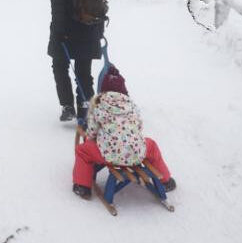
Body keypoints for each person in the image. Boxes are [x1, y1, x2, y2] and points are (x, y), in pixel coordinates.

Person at [71, 66, 175, 200]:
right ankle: (166, 181)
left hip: (108, 154)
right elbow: (139, 127)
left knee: (83, 151)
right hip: (137, 153)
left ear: (103, 90)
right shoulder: (131, 105)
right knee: (152, 146)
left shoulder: (99, 105)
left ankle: (82, 186)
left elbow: (91, 132)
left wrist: (98, 136)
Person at [47, 0, 106, 122]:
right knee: (83, 73)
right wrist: (99, 31)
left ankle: (67, 107)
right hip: (89, 31)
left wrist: (59, 33)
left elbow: (58, 9)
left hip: (66, 32)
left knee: (59, 66)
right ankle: (85, 110)